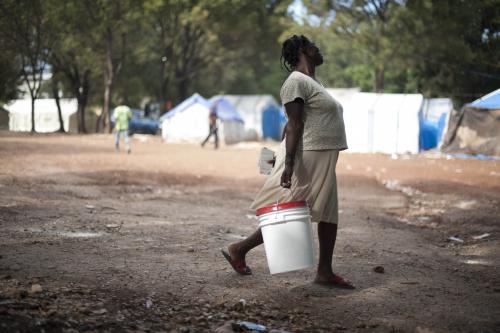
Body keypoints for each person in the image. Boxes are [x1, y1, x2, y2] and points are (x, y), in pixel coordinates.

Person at [221, 35, 354, 289]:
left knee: (328, 212)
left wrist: (279, 153)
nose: (319, 48)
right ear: (303, 50)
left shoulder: (313, 83)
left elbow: (291, 123)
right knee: (287, 211)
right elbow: (294, 123)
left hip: (321, 156)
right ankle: (239, 249)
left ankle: (325, 271)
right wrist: (288, 162)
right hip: (306, 156)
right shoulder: (294, 81)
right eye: (314, 45)